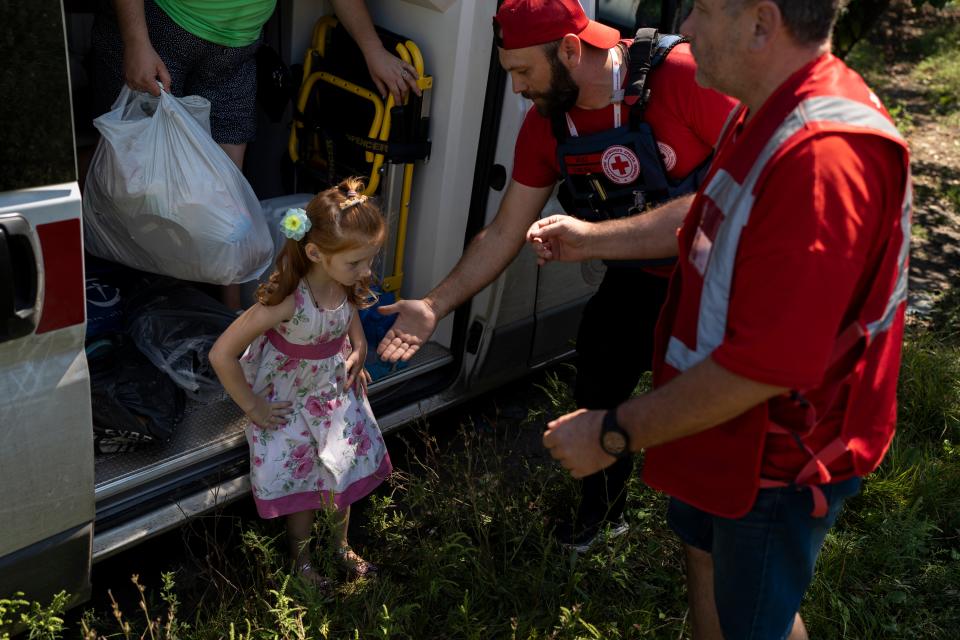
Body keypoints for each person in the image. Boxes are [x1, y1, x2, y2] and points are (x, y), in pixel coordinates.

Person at [530, 1, 911, 638]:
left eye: (703, 10)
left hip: (779, 455)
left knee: (755, 622)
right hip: (727, 429)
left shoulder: (822, 156)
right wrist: (593, 238)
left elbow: (767, 365)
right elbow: (700, 213)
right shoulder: (767, 111)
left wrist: (613, 432)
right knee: (706, 570)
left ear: (762, 23)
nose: (689, 30)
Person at [375, 0, 736, 550]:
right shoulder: (547, 125)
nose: (517, 88)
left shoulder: (683, 77)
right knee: (597, 372)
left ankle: (715, 534)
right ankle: (603, 511)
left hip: (725, 282)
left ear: (570, 49)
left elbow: (736, 198)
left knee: (700, 412)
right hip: (641, 277)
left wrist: (592, 239)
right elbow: (502, 233)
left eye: (524, 71)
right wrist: (434, 305)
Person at [209, 178, 392, 587]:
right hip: (290, 400)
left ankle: (340, 547)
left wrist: (359, 348)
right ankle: (302, 560)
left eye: (370, 260)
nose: (366, 271)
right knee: (304, 478)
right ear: (314, 253)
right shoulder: (289, 301)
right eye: (357, 263)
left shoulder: (344, 282)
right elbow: (221, 354)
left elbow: (349, 315)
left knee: (340, 468)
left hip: (332, 394)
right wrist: (254, 407)